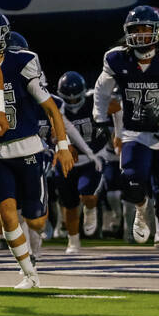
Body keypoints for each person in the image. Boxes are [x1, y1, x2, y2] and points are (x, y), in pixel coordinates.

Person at [0, 9, 73, 288]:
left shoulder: (22, 61)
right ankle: (28, 272)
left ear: (4, 35)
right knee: (6, 212)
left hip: (28, 150)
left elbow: (50, 108)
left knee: (36, 221)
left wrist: (63, 145)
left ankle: (33, 249)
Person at [94, 6, 159, 274]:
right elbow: (101, 92)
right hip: (135, 132)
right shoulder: (116, 59)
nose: (140, 34)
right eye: (135, 29)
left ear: (157, 32)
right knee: (133, 182)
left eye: (146, 28)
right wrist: (100, 119)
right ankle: (141, 207)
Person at [52, 71, 103, 253]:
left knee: (87, 195)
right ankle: (73, 241)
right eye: (69, 99)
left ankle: (90, 210)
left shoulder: (93, 100)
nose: (73, 102)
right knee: (69, 204)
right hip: (67, 160)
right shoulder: (55, 106)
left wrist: (118, 134)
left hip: (91, 159)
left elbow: (116, 108)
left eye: (76, 99)